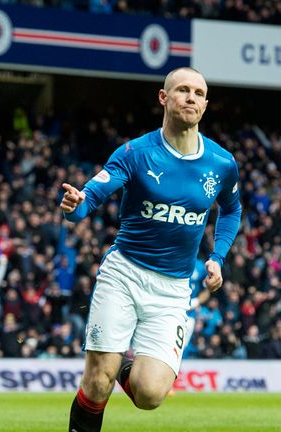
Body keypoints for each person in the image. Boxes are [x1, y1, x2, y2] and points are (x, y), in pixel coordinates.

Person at [60, 67, 241, 432]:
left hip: (173, 289)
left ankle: (114, 366)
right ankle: (105, 369)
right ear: (164, 98)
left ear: (206, 105)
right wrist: (76, 204)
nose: (191, 98)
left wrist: (217, 257)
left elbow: (232, 210)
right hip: (124, 274)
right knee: (97, 383)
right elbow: (90, 197)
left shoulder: (222, 164)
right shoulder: (136, 153)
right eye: (183, 90)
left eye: (198, 93)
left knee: (149, 394)